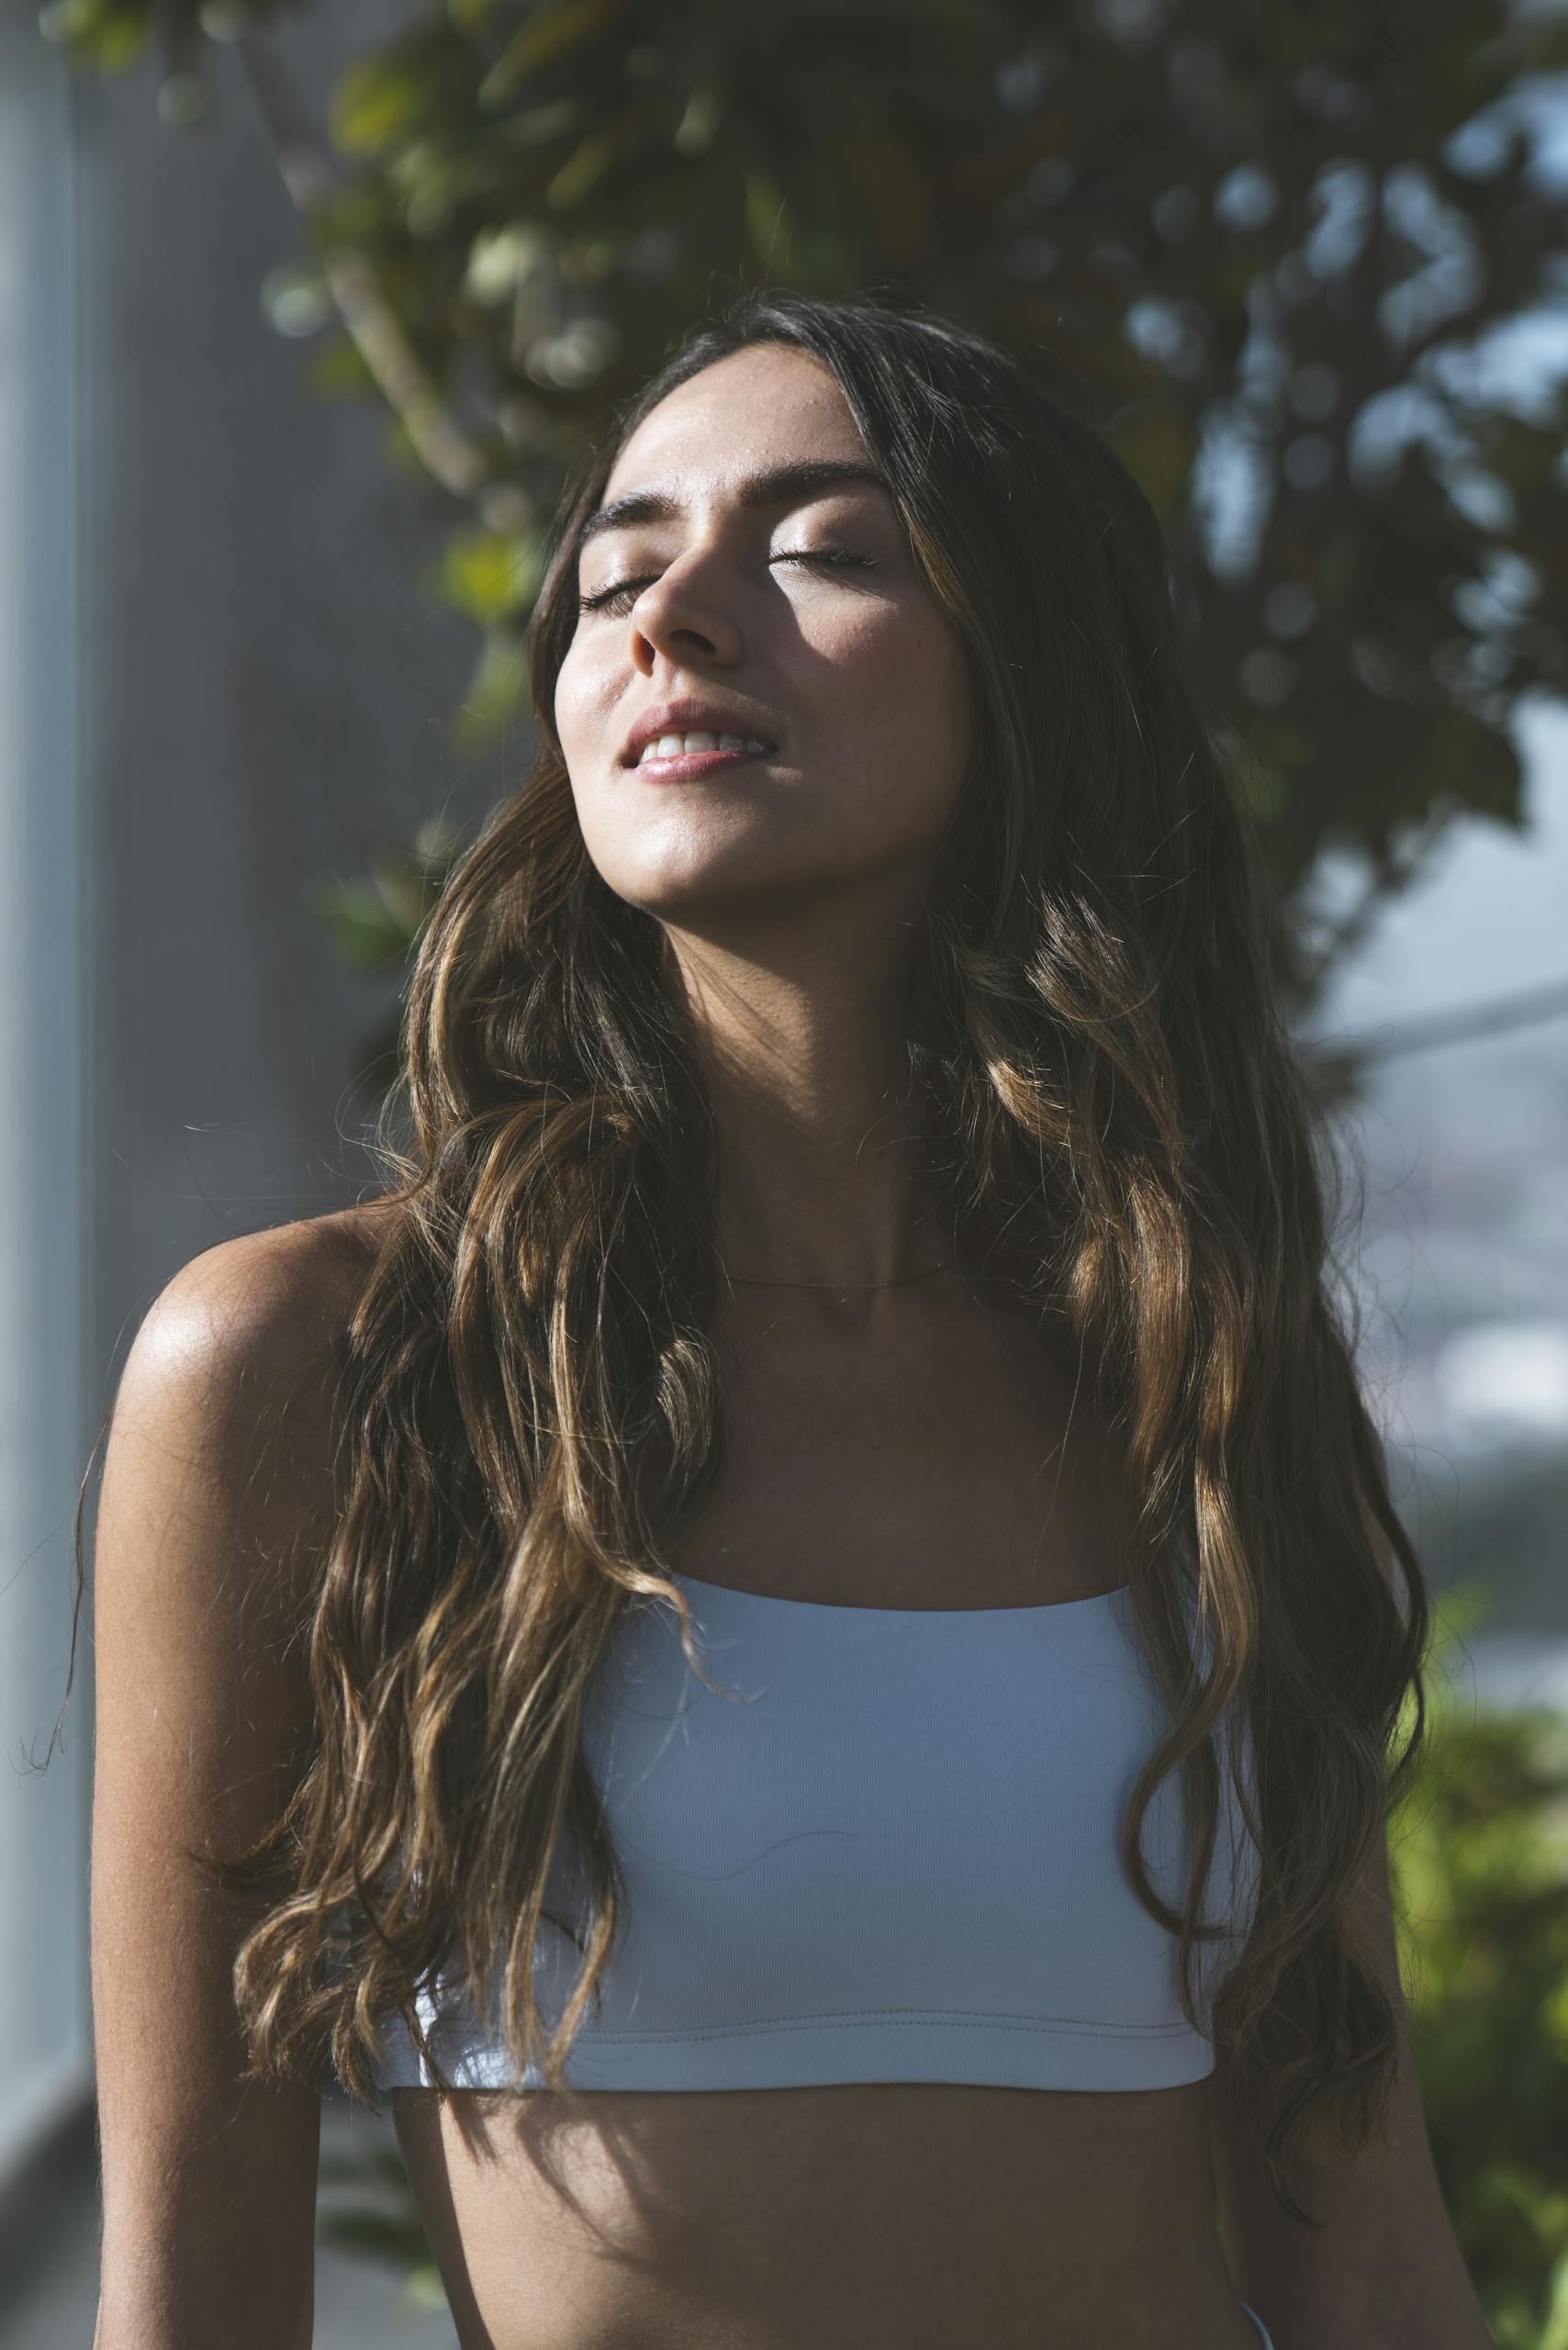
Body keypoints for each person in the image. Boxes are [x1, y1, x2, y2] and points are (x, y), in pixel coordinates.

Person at [86, 290, 1495, 2350]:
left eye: (819, 544)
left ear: (1024, 673)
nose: (674, 617)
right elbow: (195, 2299)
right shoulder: (327, 1367)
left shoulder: (1188, 1375)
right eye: (614, 573)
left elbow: (1360, 2246)